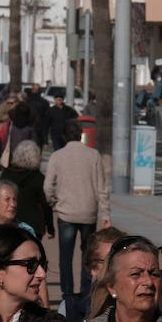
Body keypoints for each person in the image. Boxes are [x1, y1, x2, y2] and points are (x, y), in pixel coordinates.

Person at [45, 119, 112, 309]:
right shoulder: (93, 155)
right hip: (89, 212)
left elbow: (48, 186)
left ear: (65, 135)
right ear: (80, 135)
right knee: (87, 254)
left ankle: (67, 293)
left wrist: (54, 203)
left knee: (65, 256)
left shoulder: (57, 156)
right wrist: (105, 214)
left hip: (66, 212)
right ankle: (85, 291)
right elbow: (102, 187)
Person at [0, 139, 52, 238]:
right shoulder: (38, 178)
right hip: (33, 225)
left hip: (10, 221)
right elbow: (45, 204)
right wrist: (50, 227)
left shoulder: (6, 174)